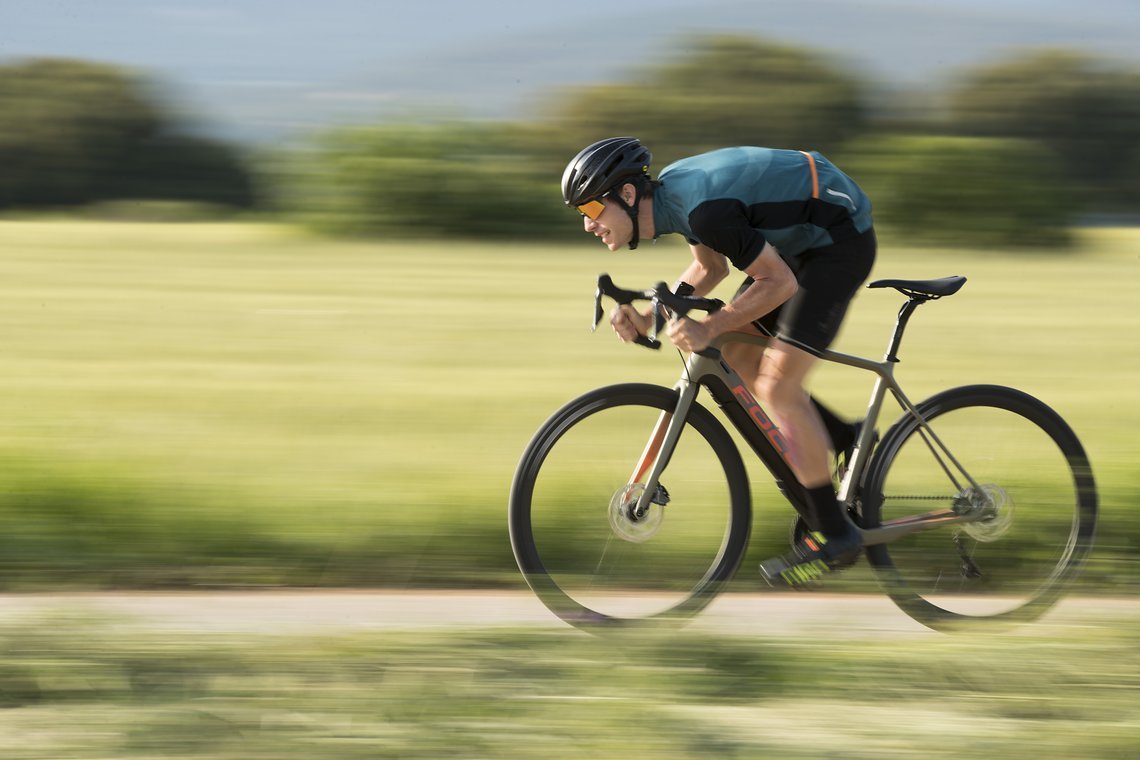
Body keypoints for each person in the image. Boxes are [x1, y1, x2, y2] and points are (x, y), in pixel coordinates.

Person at [561, 136, 877, 586]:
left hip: (837, 241)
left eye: (591, 210)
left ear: (627, 195)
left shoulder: (702, 210)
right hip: (799, 241)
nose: (589, 225)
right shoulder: (677, 203)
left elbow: (779, 282)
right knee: (735, 349)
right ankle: (847, 435)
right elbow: (710, 269)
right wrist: (652, 317)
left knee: (777, 385)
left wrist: (707, 327)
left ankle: (835, 534)